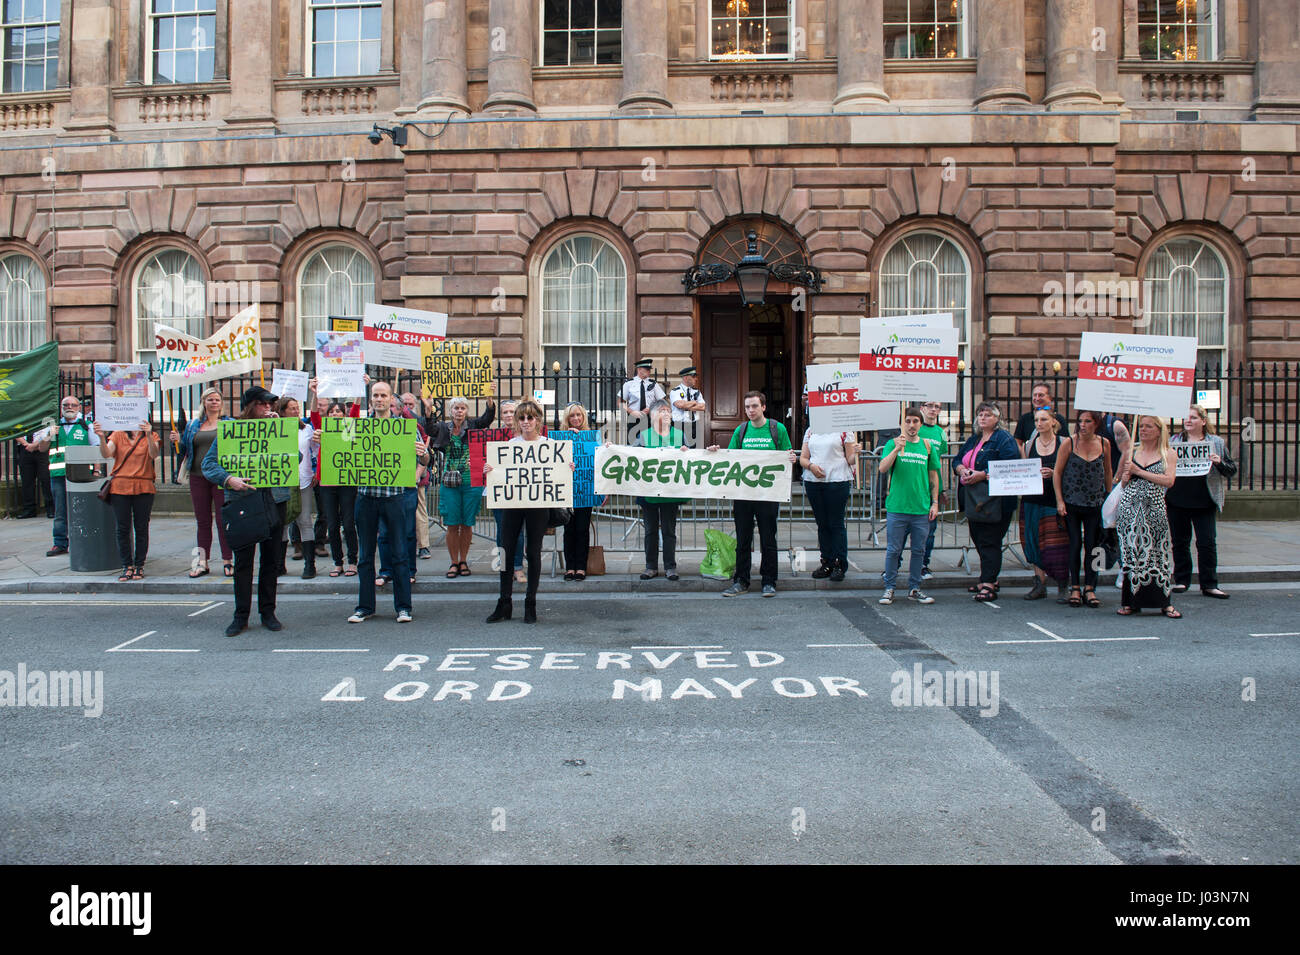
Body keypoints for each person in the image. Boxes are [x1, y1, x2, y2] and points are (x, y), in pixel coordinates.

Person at [202, 386, 289, 637]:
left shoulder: (278, 429)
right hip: (243, 502)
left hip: (273, 500)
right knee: (243, 563)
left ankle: (268, 612)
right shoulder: (232, 431)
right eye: (263, 404)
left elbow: (297, 460)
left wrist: (282, 432)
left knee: (271, 561)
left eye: (271, 405)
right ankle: (240, 616)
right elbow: (208, 464)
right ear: (251, 405)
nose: (268, 408)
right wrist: (229, 479)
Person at [483, 398, 574, 623]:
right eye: (521, 418)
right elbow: (499, 474)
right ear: (516, 421)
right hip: (512, 505)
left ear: (538, 420)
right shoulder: (509, 446)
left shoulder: (549, 445)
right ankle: (504, 602)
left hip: (538, 505)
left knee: (533, 552)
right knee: (505, 551)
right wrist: (490, 470)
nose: (526, 422)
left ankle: (530, 603)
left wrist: (567, 467)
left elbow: (558, 474)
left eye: (530, 417)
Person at [348, 381, 431, 625]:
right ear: (370, 399)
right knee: (365, 555)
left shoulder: (406, 428)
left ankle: (403, 607)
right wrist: (325, 440)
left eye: (384, 395)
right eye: (375, 395)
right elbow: (338, 452)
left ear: (391, 400)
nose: (379, 399)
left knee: (399, 553)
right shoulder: (358, 427)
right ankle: (365, 607)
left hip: (394, 497)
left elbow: (425, 459)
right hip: (366, 497)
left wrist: (423, 453)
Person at [708, 391, 796, 598]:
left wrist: (791, 458)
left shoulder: (777, 429)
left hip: (768, 495)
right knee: (743, 540)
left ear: (763, 407)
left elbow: (787, 453)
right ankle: (741, 580)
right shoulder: (741, 430)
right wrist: (715, 452)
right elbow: (729, 457)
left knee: (768, 539)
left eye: (754, 406)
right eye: (747, 407)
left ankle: (769, 581)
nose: (750, 410)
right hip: (744, 495)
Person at [953, 401, 1020, 602]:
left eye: (988, 414)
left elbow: (1010, 466)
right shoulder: (974, 439)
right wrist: (961, 470)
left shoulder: (1004, 440)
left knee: (990, 540)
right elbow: (957, 460)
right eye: (980, 414)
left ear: (997, 419)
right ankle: (987, 578)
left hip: (995, 500)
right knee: (978, 537)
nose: (983, 417)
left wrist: (983, 474)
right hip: (974, 498)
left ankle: (989, 584)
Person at [1116, 415, 1180, 618]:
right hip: (1130, 510)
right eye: (1141, 426)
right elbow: (1122, 482)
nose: (1143, 430)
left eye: (1148, 426)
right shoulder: (1131, 452)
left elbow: (1169, 481)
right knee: (1132, 555)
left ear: (1159, 430)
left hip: (1154, 508)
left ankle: (1163, 602)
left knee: (1157, 555)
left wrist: (1139, 472)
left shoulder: (1168, 453)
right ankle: (1131, 602)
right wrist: (1126, 477)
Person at [1168, 404, 1235, 599]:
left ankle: (1209, 584)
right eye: (1186, 417)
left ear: (1203, 421)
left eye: (1193, 418)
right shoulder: (1174, 441)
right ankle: (1182, 580)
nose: (1188, 420)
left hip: (1204, 500)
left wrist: (1218, 462)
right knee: (1180, 542)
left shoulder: (1216, 442)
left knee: (1206, 542)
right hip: (1177, 498)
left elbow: (1231, 470)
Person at [877, 407, 939, 604]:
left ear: (920, 424)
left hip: (920, 508)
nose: (912, 425)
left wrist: (935, 502)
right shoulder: (892, 443)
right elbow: (882, 468)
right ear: (902, 424)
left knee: (918, 550)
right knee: (894, 550)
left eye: (915, 421)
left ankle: (914, 587)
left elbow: (933, 476)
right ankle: (889, 587)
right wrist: (896, 449)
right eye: (908, 421)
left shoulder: (927, 446)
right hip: (898, 507)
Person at [1052, 410, 1113, 608]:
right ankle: (1075, 586)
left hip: (1095, 503)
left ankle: (1091, 587)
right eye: (1080, 421)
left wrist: (1110, 497)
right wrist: (1060, 501)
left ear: (1096, 423)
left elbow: (1108, 471)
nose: (1083, 425)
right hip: (1072, 502)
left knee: (1094, 546)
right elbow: (1058, 472)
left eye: (1088, 421)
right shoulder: (1070, 442)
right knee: (1075, 544)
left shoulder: (1104, 443)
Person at [430, 394, 495, 577]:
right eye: (456, 408)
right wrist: (428, 409)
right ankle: (453, 562)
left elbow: (487, 418)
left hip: (471, 482)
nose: (459, 411)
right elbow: (429, 428)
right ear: (450, 411)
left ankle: (464, 560)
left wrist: (489, 402)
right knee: (451, 523)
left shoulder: (473, 426)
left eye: (462, 408)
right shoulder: (444, 428)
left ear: (467, 411)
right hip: (449, 483)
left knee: (467, 523)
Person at [171, 387, 233, 578]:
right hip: (198, 477)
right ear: (204, 402)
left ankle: (227, 561)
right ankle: (202, 562)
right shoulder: (193, 425)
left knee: (224, 521)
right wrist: (178, 440)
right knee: (203, 521)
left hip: (221, 477)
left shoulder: (229, 423)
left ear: (221, 403)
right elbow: (184, 450)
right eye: (210, 399)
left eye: (217, 400)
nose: (214, 402)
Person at [93, 416, 160, 582]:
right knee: (122, 528)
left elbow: (154, 454)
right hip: (121, 486)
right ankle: (127, 565)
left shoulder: (151, 435)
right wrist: (101, 436)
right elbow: (107, 454)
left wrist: (149, 434)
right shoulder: (117, 434)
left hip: (144, 485)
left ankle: (139, 565)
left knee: (141, 527)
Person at [35, 395, 99, 556]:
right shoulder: (53, 425)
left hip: (82, 473)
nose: (69, 407)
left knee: (83, 509)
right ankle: (60, 543)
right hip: (58, 473)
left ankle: (86, 540)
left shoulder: (86, 426)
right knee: (60, 511)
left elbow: (95, 449)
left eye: (73, 405)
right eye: (66, 405)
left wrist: (97, 470)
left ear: (79, 407)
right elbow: (42, 448)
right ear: (61, 408)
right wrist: (49, 435)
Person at [1020, 408, 1070, 601]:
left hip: (1053, 499)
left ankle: (1062, 585)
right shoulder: (1028, 445)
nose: (1039, 423)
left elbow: (1070, 470)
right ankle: (1039, 584)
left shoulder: (1064, 443)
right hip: (1032, 499)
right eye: (1036, 420)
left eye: (1043, 420)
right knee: (1032, 542)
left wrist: (1054, 473)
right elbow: (1023, 470)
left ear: (1053, 422)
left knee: (1055, 544)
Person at [800, 421, 859, 583]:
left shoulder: (844, 430)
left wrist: (857, 453)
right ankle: (826, 561)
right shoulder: (811, 430)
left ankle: (839, 563)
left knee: (836, 523)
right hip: (814, 482)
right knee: (822, 523)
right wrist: (811, 466)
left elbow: (850, 459)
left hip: (837, 480)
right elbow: (803, 458)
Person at [637, 400, 686, 581]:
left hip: (670, 492)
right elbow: (631, 457)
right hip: (648, 493)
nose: (667, 414)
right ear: (653, 416)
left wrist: (685, 451)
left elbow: (689, 457)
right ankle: (650, 566)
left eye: (668, 411)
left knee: (669, 530)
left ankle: (670, 567)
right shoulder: (643, 435)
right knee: (650, 530)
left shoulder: (679, 435)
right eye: (662, 411)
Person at [313, 401, 358, 578]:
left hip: (347, 482)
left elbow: (354, 411)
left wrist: (359, 388)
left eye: (339, 411)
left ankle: (352, 561)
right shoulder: (322, 428)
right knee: (331, 526)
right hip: (327, 482)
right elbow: (314, 414)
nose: (335, 414)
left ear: (344, 414)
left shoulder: (350, 427)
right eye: (332, 411)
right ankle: (338, 563)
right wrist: (314, 392)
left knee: (348, 524)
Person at [277, 396, 317, 579]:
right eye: (292, 408)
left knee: (304, 520)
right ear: (282, 411)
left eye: (297, 408)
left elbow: (316, 450)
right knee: (282, 522)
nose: (296, 411)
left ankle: (310, 565)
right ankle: (279, 564)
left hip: (303, 480)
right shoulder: (275, 429)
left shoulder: (306, 429)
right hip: (282, 482)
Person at [561, 402, 600, 582]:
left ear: (583, 417)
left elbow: (599, 457)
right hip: (567, 491)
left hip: (585, 490)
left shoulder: (592, 436)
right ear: (566, 418)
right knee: (569, 529)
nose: (576, 419)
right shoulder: (559, 437)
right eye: (572, 416)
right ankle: (570, 566)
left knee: (582, 529)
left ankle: (581, 567)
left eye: (579, 415)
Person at [492, 399, 527, 584]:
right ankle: (504, 566)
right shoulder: (492, 436)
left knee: (518, 530)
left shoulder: (527, 434)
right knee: (502, 530)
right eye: (504, 412)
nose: (507, 415)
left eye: (511, 412)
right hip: (499, 488)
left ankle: (517, 566)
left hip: (520, 489)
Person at [400, 391, 434, 561]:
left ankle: (423, 546)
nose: (407, 408)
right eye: (404, 405)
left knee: (420, 511)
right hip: (396, 477)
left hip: (416, 476)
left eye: (410, 405)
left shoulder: (418, 423)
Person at [917, 400, 948, 578]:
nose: (933, 410)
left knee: (929, 532)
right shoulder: (916, 429)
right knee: (904, 532)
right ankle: (894, 566)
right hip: (915, 487)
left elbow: (937, 465)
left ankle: (923, 564)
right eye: (930, 406)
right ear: (922, 408)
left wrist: (941, 490)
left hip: (932, 490)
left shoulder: (940, 433)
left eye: (937, 407)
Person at [1013, 382, 1068, 453]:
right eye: (1035, 395)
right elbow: (1017, 442)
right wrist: (1025, 454)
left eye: (1041, 395)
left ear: (1050, 398)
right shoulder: (1024, 419)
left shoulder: (1059, 419)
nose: (1037, 398)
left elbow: (1066, 443)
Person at [13, 427, 52, 519]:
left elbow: (50, 433)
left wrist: (34, 445)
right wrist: (26, 444)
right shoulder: (22, 417)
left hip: (43, 449)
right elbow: (15, 430)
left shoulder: (47, 416)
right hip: (24, 449)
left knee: (46, 479)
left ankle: (50, 508)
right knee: (27, 480)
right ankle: (29, 509)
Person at [620, 357, 665, 432]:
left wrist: (652, 409)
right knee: (633, 442)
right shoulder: (629, 384)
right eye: (647, 369)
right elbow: (620, 403)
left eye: (649, 369)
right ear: (639, 369)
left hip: (650, 418)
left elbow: (662, 402)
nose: (649, 371)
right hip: (634, 418)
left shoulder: (653, 384)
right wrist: (632, 412)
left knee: (650, 442)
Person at [669, 366, 707, 448]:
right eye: (693, 376)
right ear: (686, 378)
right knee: (678, 450)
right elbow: (680, 405)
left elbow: (703, 407)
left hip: (693, 426)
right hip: (679, 426)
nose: (696, 379)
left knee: (693, 452)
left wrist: (686, 406)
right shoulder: (675, 391)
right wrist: (694, 402)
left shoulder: (696, 391)